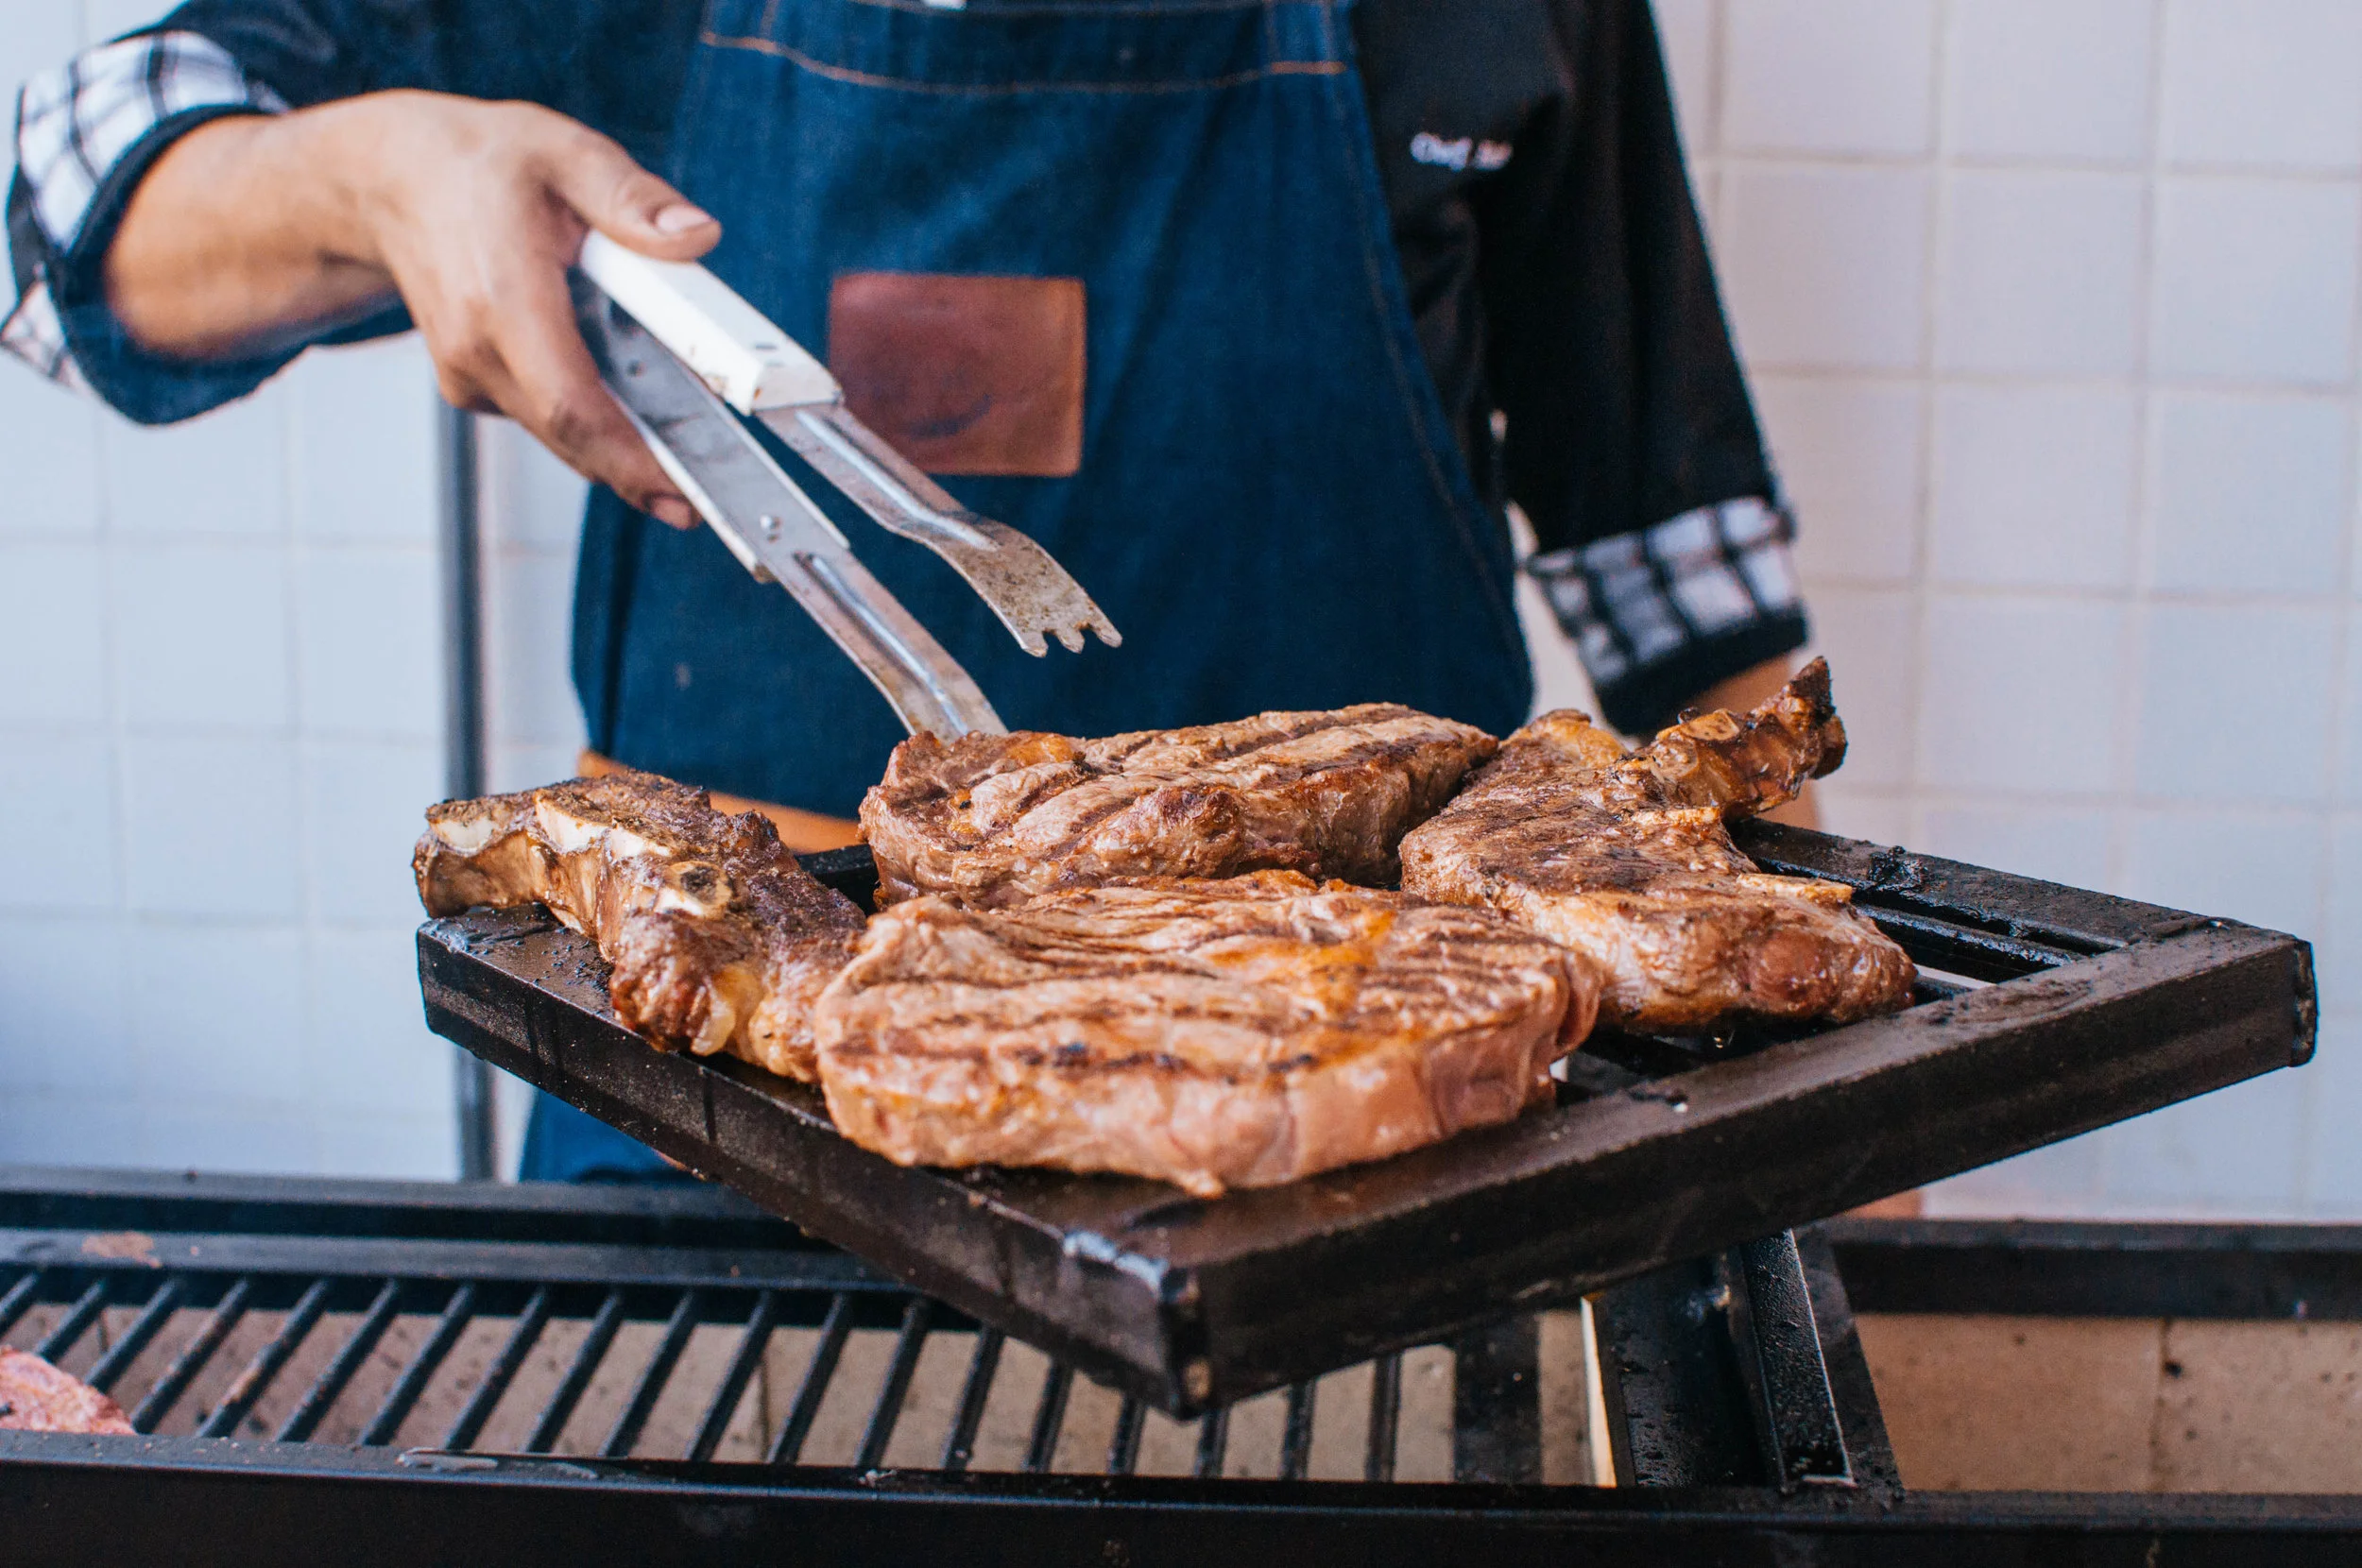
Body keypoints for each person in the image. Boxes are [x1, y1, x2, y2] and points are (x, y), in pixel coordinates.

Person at [6, 0, 1815, 1180]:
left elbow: (1687, 576)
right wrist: (371, 164)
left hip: (1392, 1112)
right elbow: (60, 210)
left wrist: (1822, 1131)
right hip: (727, 1050)